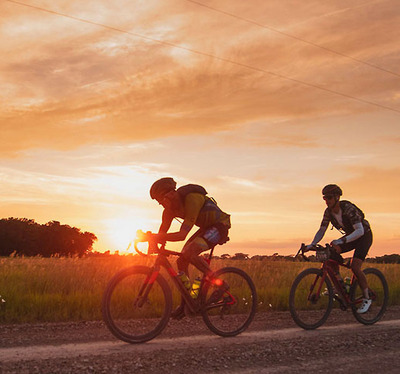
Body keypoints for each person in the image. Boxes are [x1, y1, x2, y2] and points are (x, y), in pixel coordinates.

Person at [142, 177, 231, 317]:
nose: (161, 205)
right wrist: (150, 240)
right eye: (159, 203)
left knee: (189, 252)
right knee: (181, 261)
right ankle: (187, 302)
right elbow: (162, 234)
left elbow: (182, 234)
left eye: (161, 200)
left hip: (220, 225)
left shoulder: (192, 199)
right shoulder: (168, 211)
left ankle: (221, 284)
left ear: (171, 193)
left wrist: (155, 237)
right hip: (206, 227)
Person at [306, 184, 373, 314]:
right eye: (324, 198)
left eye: (329, 198)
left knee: (355, 267)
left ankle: (367, 298)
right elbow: (322, 230)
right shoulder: (328, 212)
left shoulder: (348, 209)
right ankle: (339, 285)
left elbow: (359, 231)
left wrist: (342, 240)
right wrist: (312, 244)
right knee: (331, 253)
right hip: (351, 236)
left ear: (337, 197)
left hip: (364, 235)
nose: (327, 201)